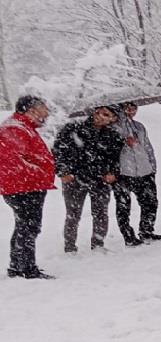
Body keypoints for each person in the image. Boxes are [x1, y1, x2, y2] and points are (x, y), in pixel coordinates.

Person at [54, 105, 124, 253]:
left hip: (100, 180)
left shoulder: (113, 135)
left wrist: (113, 173)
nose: (101, 116)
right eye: (99, 112)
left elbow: (115, 159)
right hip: (74, 179)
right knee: (73, 214)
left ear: (113, 119)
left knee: (101, 213)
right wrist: (63, 171)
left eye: (107, 115)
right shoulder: (73, 129)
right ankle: (70, 246)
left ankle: (98, 243)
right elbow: (58, 151)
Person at [0, 96, 56, 279]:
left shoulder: (22, 127)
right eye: (43, 107)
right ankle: (26, 268)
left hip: (26, 185)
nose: (46, 112)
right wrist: (40, 173)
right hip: (23, 187)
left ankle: (18, 266)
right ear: (31, 109)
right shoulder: (15, 128)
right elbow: (15, 161)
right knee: (29, 227)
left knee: (24, 226)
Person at [112, 102, 161, 246]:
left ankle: (146, 231)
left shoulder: (139, 126)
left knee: (150, 202)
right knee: (123, 206)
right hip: (123, 172)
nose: (132, 110)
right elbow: (108, 148)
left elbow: (148, 147)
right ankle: (128, 236)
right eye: (128, 107)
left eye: (134, 107)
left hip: (144, 170)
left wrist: (152, 167)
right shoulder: (113, 126)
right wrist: (122, 141)